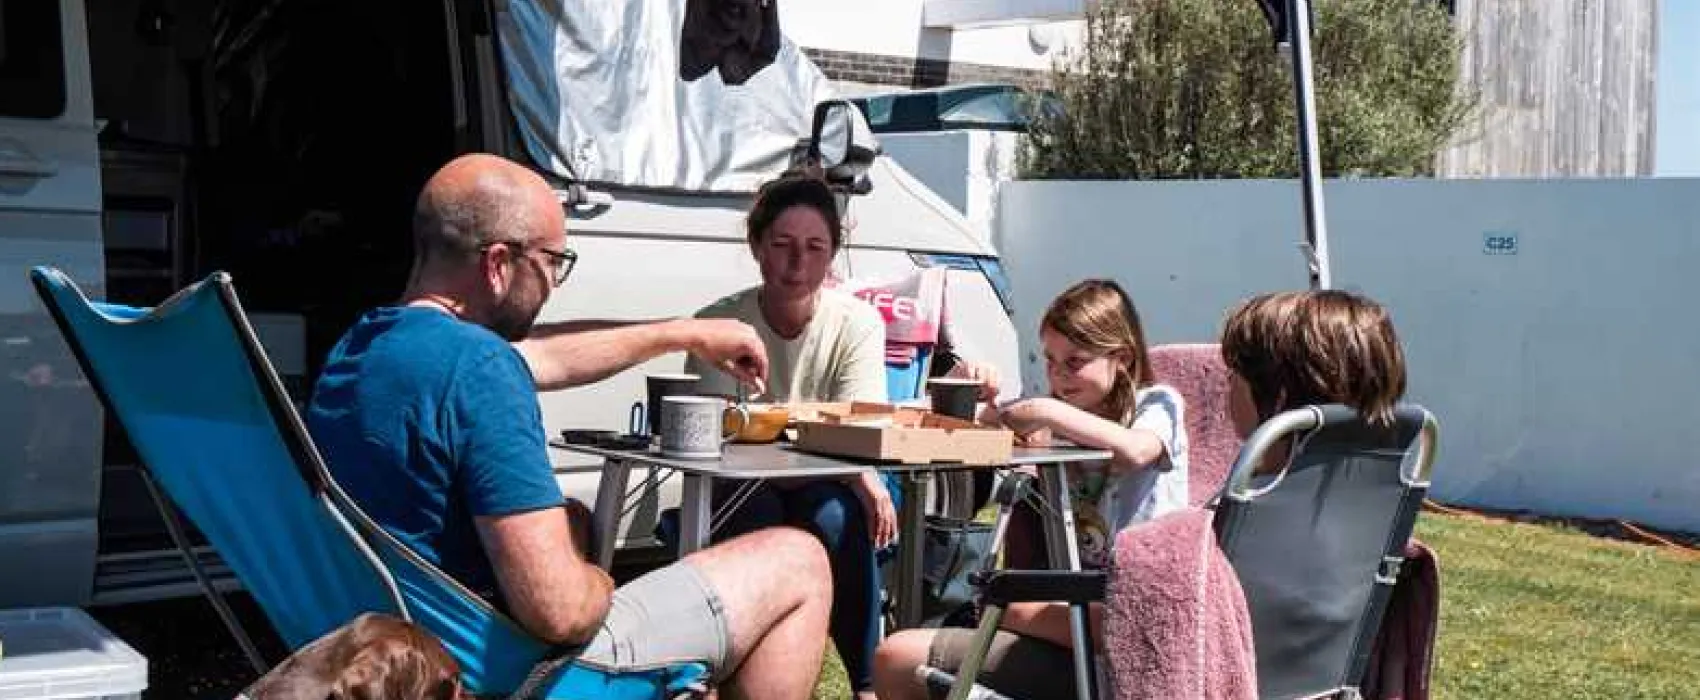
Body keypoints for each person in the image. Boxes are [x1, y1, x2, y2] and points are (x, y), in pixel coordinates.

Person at [304, 153, 833, 699]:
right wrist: (602, 582)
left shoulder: (363, 347)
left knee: (577, 519)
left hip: (389, 647)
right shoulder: (482, 371)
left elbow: (544, 358)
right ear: (498, 264)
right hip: (501, 669)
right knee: (799, 561)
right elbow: (558, 613)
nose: (555, 282)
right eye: (554, 262)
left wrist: (683, 333)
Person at [872, 279, 1188, 700]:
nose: (1057, 376)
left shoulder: (1156, 404)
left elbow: (1135, 451)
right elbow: (944, 420)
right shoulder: (1061, 415)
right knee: (898, 656)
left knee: (1001, 611)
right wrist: (963, 383)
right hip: (1076, 616)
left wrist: (1044, 411)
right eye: (1050, 361)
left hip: (1131, 617)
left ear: (1124, 360)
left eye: (1074, 362)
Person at [681, 173, 895, 700]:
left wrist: (854, 468)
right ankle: (731, 678)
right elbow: (716, 434)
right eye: (782, 245)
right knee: (754, 513)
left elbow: (860, 422)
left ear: (832, 257)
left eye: (815, 247)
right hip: (744, 481)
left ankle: (866, 684)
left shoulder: (858, 324)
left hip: (828, 480)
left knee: (837, 517)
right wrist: (839, 451)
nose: (798, 263)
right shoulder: (719, 323)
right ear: (757, 248)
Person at [1219, 289, 1408, 463]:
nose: (1228, 383)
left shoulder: (1257, 496)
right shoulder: (1388, 491)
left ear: (1279, 395)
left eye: (1233, 372)